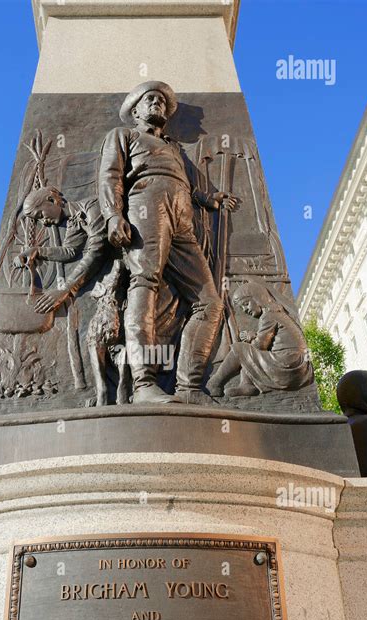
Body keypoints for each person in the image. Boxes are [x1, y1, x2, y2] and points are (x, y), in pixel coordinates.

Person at [99, 81, 236, 405]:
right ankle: (144, 383)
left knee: (210, 302)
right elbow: (110, 175)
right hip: (147, 205)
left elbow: (187, 184)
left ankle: (188, 388)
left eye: (162, 100)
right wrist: (113, 215)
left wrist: (210, 198)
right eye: (151, 99)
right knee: (145, 282)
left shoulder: (175, 148)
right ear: (135, 111)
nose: (158, 103)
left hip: (182, 218)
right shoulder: (124, 135)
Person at [207, 281, 313, 398]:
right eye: (242, 307)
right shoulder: (277, 312)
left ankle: (215, 384)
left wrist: (250, 338)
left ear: (258, 298)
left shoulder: (269, 315)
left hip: (288, 364)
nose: (245, 309)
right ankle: (247, 385)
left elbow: (260, 346)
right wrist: (254, 338)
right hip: (299, 366)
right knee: (248, 353)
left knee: (240, 349)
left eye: (246, 304)